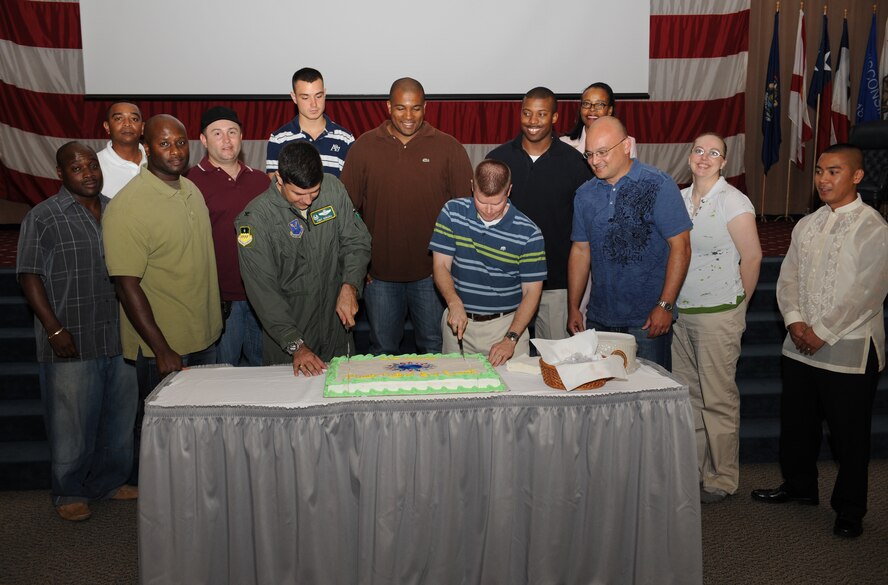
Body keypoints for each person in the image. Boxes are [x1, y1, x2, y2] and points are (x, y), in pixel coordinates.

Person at [752, 144, 888, 539]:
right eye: (819, 172)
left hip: (848, 347)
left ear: (857, 176)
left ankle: (850, 509)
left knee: (849, 435)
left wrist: (821, 332)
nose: (824, 180)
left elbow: (868, 292)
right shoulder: (806, 224)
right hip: (799, 344)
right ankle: (799, 487)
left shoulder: (873, 227)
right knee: (798, 425)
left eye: (834, 172)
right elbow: (787, 278)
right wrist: (795, 322)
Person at [17, 142, 137, 521]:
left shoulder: (118, 210)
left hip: (120, 334)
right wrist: (53, 329)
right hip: (70, 336)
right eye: (77, 168)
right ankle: (68, 490)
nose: (88, 173)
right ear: (60, 173)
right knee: (71, 422)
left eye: (92, 166)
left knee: (118, 419)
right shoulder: (43, 216)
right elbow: (28, 275)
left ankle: (109, 482)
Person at [102, 114, 222, 483]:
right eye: (164, 143)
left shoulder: (191, 189)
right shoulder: (128, 206)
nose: (174, 151)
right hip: (166, 347)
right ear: (146, 147)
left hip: (206, 337)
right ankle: (160, 507)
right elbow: (126, 286)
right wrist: (162, 349)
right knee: (161, 435)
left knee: (202, 430)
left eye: (180, 142)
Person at [341, 77, 473, 354]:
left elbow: (465, 215)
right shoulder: (364, 147)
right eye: (401, 108)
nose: (409, 116)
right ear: (388, 106)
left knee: (435, 348)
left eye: (416, 108)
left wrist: (454, 268)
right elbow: (347, 212)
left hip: (432, 276)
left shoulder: (449, 148)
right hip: (379, 276)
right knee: (382, 350)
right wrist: (359, 264)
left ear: (426, 108)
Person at [671, 133, 762, 504]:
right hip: (680, 314)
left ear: (724, 162)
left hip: (718, 315)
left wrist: (738, 306)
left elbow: (752, 258)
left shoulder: (733, 201)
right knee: (688, 398)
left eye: (714, 152)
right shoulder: (677, 199)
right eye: (698, 150)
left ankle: (722, 477)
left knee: (718, 400)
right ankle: (693, 470)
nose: (704, 157)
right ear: (689, 156)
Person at [236, 141, 371, 375]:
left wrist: (350, 285)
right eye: (298, 193)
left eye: (314, 192)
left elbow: (356, 241)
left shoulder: (333, 189)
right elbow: (263, 292)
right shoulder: (255, 220)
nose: (308, 201)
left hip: (336, 331)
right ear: (279, 179)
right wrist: (295, 344)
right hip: (288, 341)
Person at [567, 116, 691, 369]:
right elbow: (580, 251)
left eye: (602, 152)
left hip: (647, 320)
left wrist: (665, 305)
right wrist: (573, 307)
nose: (594, 161)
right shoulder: (584, 194)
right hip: (599, 319)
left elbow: (681, 247)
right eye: (589, 154)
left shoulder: (659, 184)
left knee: (651, 400)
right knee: (605, 399)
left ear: (626, 146)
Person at [486, 87, 590, 340]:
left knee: (555, 366)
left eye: (541, 114)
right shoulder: (498, 159)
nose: (533, 121)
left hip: (555, 285)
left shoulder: (575, 164)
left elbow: (584, 233)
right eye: (527, 113)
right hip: (506, 284)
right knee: (504, 364)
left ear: (554, 117)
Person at [429, 159, 546, 365]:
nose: (489, 210)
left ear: (509, 191)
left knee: (513, 394)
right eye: (482, 201)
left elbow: (531, 292)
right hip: (458, 322)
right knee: (455, 389)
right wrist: (453, 301)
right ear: (472, 186)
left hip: (506, 325)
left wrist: (510, 339)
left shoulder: (529, 233)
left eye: (497, 203)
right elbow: (440, 266)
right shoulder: (452, 213)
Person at [186, 106, 270, 367]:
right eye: (217, 133)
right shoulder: (190, 183)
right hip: (219, 301)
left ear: (241, 137)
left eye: (232, 132)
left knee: (265, 375)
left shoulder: (260, 181)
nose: (226, 140)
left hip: (260, 298)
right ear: (203, 139)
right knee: (221, 375)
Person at [266, 67, 354, 178]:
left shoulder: (345, 139)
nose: (314, 104)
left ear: (325, 93)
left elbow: (351, 187)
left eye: (318, 96)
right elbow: (275, 189)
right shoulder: (278, 139)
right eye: (305, 97)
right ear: (294, 97)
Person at [560, 82, 638, 159]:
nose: (592, 109)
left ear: (609, 110)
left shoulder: (626, 143)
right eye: (586, 103)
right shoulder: (563, 143)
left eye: (600, 104)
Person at [96, 102, 146, 197]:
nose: (127, 124)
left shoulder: (156, 159)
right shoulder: (95, 165)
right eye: (119, 118)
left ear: (142, 127)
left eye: (134, 119)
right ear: (107, 126)